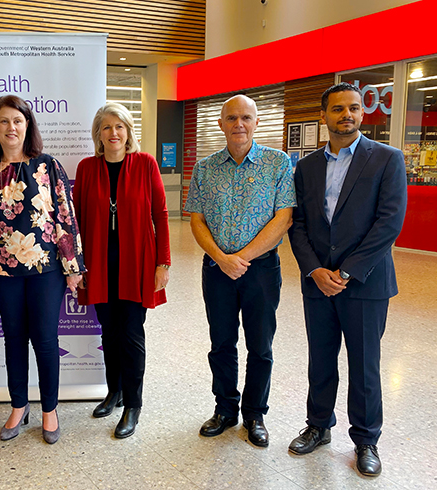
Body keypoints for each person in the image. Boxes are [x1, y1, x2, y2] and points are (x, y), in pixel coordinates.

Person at [287, 83, 407, 477]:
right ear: (324, 116)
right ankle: (318, 426)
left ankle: (366, 440)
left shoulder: (387, 159)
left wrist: (347, 271)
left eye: (354, 108)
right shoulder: (305, 167)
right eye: (338, 109)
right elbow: (298, 224)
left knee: (365, 366)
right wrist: (315, 270)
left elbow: (388, 222)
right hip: (318, 282)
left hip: (365, 284)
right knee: (320, 360)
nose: (347, 115)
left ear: (362, 112)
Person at [184, 94, 295, 447]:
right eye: (231, 118)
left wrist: (241, 257)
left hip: (261, 270)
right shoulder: (205, 168)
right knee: (221, 343)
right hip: (216, 269)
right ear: (221, 124)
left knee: (260, 345)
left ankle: (254, 414)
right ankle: (225, 409)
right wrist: (221, 257)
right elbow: (197, 219)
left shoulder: (278, 164)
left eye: (246, 117)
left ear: (256, 122)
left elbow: (284, 218)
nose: (239, 124)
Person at [0, 95, 85, 445]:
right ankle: (19, 406)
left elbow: (65, 217)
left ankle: (50, 410)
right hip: (2, 274)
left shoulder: (47, 166)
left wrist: (73, 268)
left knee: (46, 340)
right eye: (4, 121)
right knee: (13, 340)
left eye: (17, 121)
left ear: (27, 125)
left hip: (46, 271)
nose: (11, 127)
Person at [73, 102, 170, 438]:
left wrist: (163, 263)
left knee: (131, 334)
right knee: (108, 333)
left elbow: (160, 214)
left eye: (119, 127)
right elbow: (77, 221)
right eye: (106, 127)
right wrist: (77, 265)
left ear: (128, 132)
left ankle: (133, 403)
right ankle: (113, 392)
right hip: (99, 265)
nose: (113, 133)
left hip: (136, 264)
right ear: (98, 135)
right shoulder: (87, 168)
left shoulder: (145, 164)